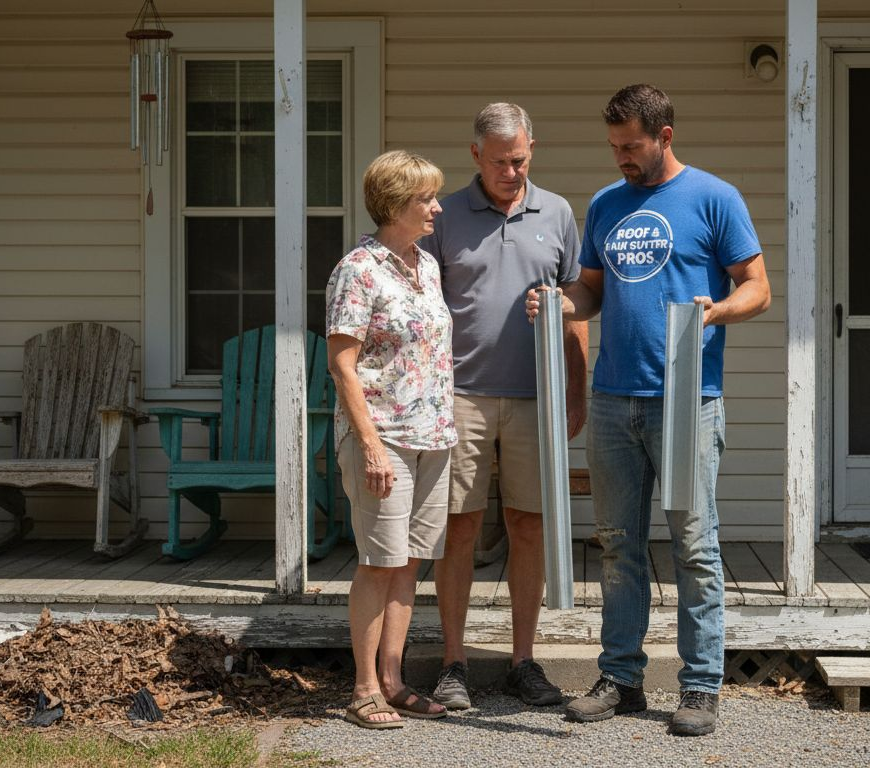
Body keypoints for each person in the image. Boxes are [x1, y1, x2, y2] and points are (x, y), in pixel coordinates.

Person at [527, 84, 771, 737]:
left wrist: (715, 311)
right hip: (613, 400)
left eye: (630, 146)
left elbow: (758, 288)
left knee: (694, 545)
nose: (620, 158)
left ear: (664, 135)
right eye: (613, 146)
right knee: (618, 547)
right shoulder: (607, 204)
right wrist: (557, 304)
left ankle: (698, 688)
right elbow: (592, 292)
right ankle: (622, 679)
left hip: (688, 398)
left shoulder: (714, 198)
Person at [419, 103, 588, 710]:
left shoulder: (560, 213)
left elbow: (575, 310)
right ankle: (454, 663)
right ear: (475, 157)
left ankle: (523, 660)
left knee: (529, 524)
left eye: (519, 160)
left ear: (531, 150)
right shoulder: (445, 217)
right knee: (458, 527)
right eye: (499, 162)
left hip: (534, 397)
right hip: (458, 396)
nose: (511, 172)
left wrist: (576, 389)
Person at [326, 150, 456, 729]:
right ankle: (361, 691)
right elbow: (342, 364)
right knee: (379, 563)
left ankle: (393, 681)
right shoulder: (358, 269)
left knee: (409, 562)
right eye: (425, 198)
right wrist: (372, 446)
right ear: (393, 203)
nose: (436, 206)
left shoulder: (425, 265)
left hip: (434, 436)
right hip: (385, 439)